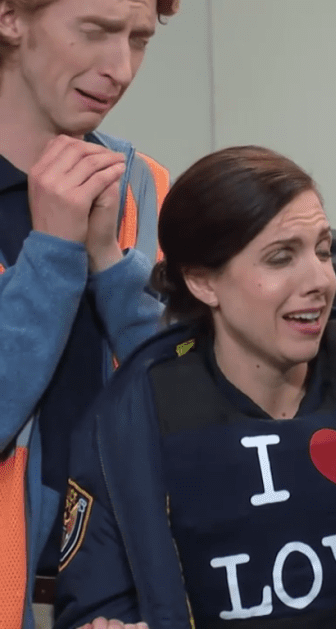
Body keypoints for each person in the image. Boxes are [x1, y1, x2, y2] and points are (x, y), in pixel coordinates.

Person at [51, 146, 336, 628]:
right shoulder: (137, 415)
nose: (320, 279)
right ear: (202, 282)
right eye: (281, 258)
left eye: (323, 250)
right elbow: (93, 602)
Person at [0, 0, 176, 625]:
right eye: (96, 31)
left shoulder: (145, 185)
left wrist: (111, 266)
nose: (120, 68)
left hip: (120, 600)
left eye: (139, 39)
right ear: (11, 17)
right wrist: (52, 252)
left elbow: (182, 400)